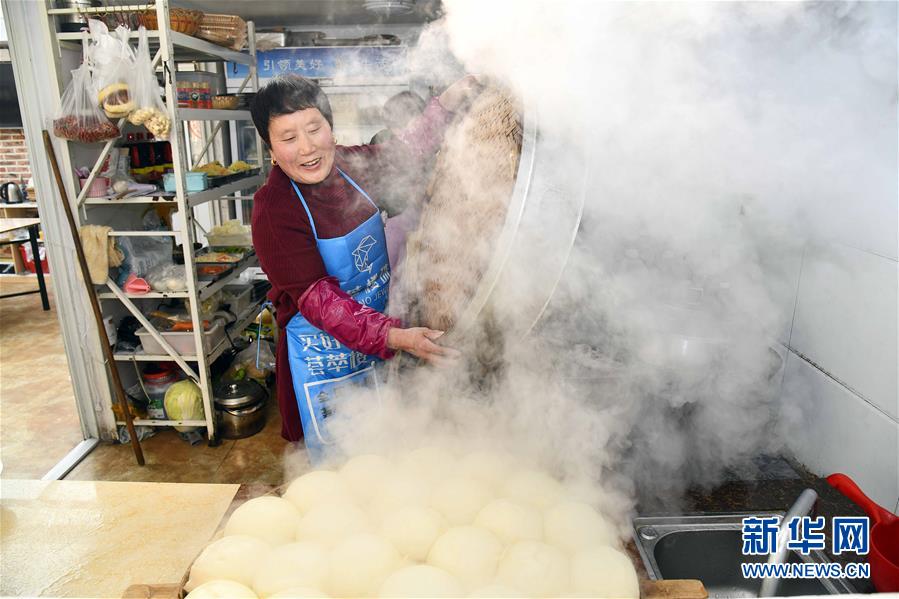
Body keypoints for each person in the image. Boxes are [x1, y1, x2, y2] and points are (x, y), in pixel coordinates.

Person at [249, 74, 479, 453]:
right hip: (322, 361)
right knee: (339, 467)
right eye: (288, 138)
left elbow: (405, 153)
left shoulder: (352, 167)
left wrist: (451, 100)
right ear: (271, 148)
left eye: (314, 129)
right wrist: (396, 337)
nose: (306, 148)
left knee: (384, 451)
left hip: (377, 348)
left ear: (331, 128)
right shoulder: (274, 209)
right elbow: (320, 301)